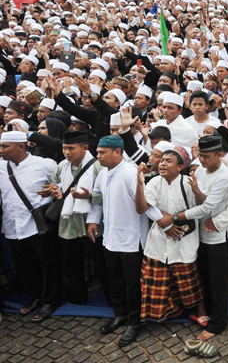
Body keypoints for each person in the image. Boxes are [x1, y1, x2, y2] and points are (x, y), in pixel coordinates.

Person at [85, 135, 148, 347]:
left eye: (102, 153)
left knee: (132, 283)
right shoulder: (103, 173)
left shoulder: (130, 173)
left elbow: (145, 203)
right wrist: (93, 220)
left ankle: (135, 322)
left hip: (131, 238)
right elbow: (97, 199)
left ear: (117, 152)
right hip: (110, 237)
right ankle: (120, 314)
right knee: (115, 279)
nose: (98, 156)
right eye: (98, 152)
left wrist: (166, 223)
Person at [134, 146, 207, 324]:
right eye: (162, 160)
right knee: (156, 280)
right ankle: (170, 308)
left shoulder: (188, 182)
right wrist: (139, 184)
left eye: (169, 161)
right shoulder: (154, 182)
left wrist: (196, 190)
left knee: (189, 279)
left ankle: (201, 311)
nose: (162, 164)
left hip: (183, 239)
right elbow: (141, 209)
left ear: (180, 167)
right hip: (159, 239)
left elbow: (202, 207)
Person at [179, 135, 228, 341]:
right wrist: (195, 190)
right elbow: (199, 199)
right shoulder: (200, 170)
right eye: (200, 156)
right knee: (204, 275)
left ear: (219, 154)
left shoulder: (225, 176)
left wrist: (177, 217)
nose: (201, 160)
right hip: (201, 231)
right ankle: (209, 310)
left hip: (219, 234)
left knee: (219, 281)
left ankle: (218, 323)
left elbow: (206, 207)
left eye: (206, 156)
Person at [0, 130, 60, 322]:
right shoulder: (1, 167)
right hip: (12, 226)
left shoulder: (44, 165)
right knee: (24, 268)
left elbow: (61, 184)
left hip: (38, 226)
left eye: (5, 146)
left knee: (47, 265)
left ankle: (50, 300)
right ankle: (37, 296)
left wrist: (55, 189)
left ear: (20, 146)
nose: (1, 150)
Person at [46, 130, 103, 306]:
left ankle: (111, 300)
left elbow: (108, 195)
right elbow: (55, 185)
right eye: (64, 148)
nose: (66, 152)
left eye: (71, 148)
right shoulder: (61, 166)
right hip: (68, 223)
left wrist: (89, 197)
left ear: (85, 148)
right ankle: (78, 297)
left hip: (92, 222)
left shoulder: (97, 166)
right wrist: (56, 191)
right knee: (71, 264)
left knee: (100, 263)